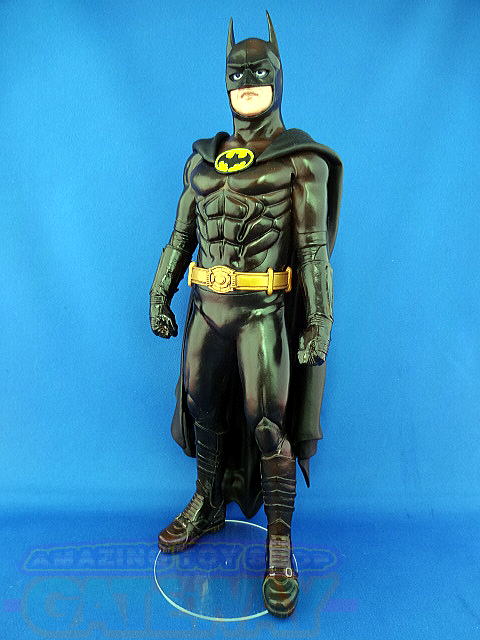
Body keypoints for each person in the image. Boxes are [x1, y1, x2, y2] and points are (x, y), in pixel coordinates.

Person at [149, 11, 343, 618]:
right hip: (206, 309)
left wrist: (319, 322)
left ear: (279, 77)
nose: (248, 82)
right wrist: (159, 293)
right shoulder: (202, 162)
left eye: (260, 71)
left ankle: (279, 544)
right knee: (202, 409)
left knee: (267, 426)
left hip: (262, 311)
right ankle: (207, 502)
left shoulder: (300, 163)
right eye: (238, 73)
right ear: (224, 81)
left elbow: (312, 253)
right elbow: (180, 237)